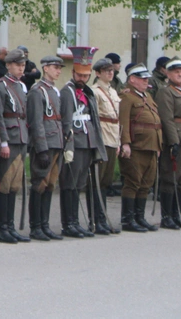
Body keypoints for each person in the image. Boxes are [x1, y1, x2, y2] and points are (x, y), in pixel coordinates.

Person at [59, 47, 106, 239]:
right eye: (80, 74)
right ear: (73, 73)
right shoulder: (67, 92)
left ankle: (76, 222)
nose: (83, 78)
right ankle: (68, 223)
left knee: (79, 184)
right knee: (69, 183)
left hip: (87, 141)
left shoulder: (87, 92)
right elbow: (66, 120)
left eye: (86, 75)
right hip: (75, 142)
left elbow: (93, 118)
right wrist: (67, 145)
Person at [26, 56, 66, 241]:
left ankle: (45, 224)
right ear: (45, 68)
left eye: (59, 67)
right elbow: (36, 122)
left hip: (56, 142)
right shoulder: (37, 91)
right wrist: (41, 148)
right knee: (40, 184)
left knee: (50, 184)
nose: (58, 70)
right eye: (55, 67)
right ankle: (36, 226)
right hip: (45, 143)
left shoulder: (54, 91)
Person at [0, 49, 30, 243]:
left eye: (23, 65)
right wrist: (3, 141)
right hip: (10, 137)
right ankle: (1, 227)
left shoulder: (22, 86)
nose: (21, 69)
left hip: (21, 137)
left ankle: (10, 225)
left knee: (15, 185)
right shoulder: (0, 85)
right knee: (4, 184)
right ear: (8, 66)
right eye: (17, 65)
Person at [118, 63, 162, 232]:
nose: (146, 81)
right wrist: (125, 143)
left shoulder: (147, 96)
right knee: (133, 181)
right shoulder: (127, 97)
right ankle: (128, 219)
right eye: (142, 78)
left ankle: (139, 217)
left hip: (150, 146)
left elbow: (156, 121)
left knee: (146, 183)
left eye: (146, 78)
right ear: (132, 80)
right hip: (136, 146)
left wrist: (159, 145)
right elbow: (123, 121)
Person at [89, 57, 121, 234]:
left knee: (106, 182)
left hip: (112, 137)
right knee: (97, 181)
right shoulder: (95, 91)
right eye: (106, 70)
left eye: (112, 70)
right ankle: (95, 220)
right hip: (102, 137)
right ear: (98, 73)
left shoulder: (113, 91)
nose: (111, 73)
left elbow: (117, 118)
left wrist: (119, 142)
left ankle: (103, 218)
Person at [155, 57, 181, 229]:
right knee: (171, 177)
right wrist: (173, 142)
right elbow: (167, 119)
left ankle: (177, 213)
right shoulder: (166, 92)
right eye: (176, 72)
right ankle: (167, 216)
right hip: (176, 140)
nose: (180, 74)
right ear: (168, 73)